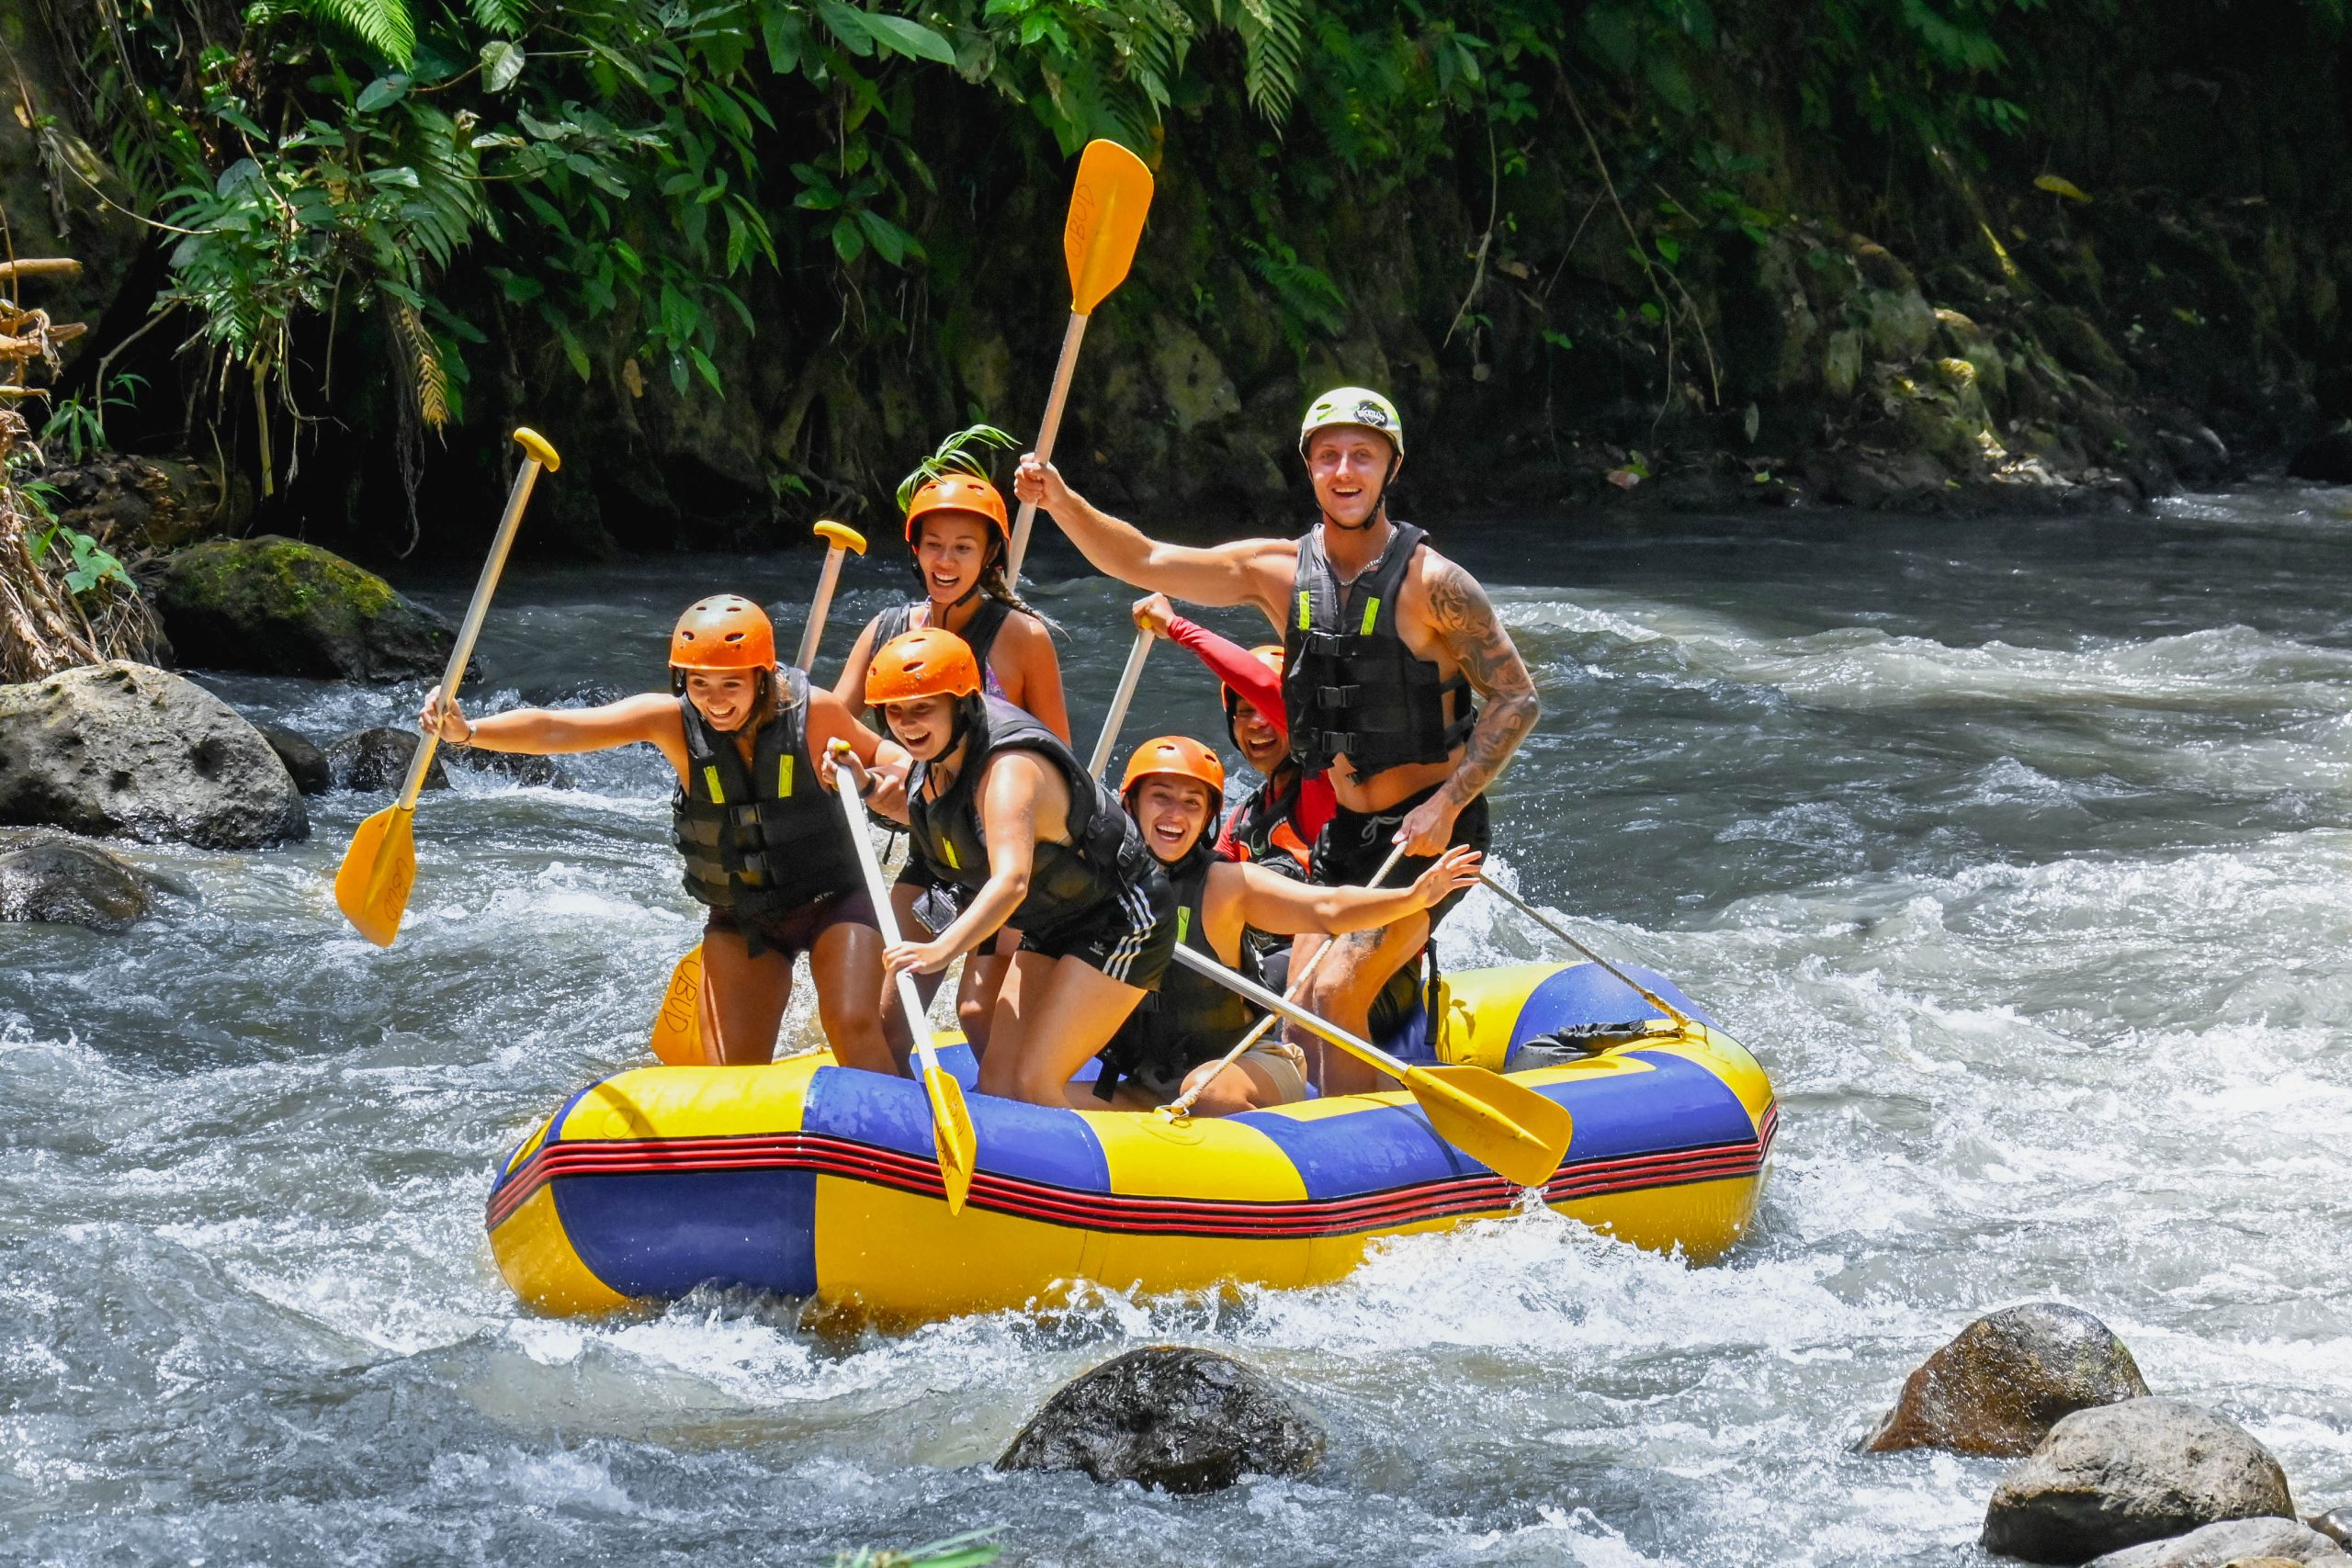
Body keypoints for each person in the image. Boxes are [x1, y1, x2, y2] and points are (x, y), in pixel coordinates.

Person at [1012, 386, 1541, 1095]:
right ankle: (1316, 1144)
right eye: (1328, 456)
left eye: (1363, 455)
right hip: (1347, 830)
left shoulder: (1437, 584)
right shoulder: (1277, 572)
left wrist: (1447, 803)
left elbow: (1517, 697)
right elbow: (1142, 558)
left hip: (1431, 832)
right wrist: (1061, 501)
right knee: (1296, 1006)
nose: (1345, 470)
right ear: (1309, 468)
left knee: (1334, 992)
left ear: (1391, 466)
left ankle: (1368, 1164)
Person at [420, 595, 900, 1072]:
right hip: (744, 916)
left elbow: (896, 762)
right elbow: (557, 729)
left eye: (731, 683)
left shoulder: (816, 712)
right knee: (733, 1074)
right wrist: (468, 732)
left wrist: (868, 779)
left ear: (761, 676)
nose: (714, 699)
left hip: (833, 900)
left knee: (851, 1023)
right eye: (699, 683)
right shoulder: (669, 721)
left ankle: (903, 1135)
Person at [846, 626, 1175, 1108]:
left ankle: (1104, 1169)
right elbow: (936, 819)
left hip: (1122, 917)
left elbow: (1011, 880)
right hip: (1050, 923)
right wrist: (866, 786)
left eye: (923, 708)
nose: (906, 724)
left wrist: (941, 950)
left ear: (961, 705)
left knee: (1032, 1085)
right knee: (1002, 1088)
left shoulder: (1008, 769)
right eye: (894, 711)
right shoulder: (937, 757)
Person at [1104, 736, 1484, 1113]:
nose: (1174, 814)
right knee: (1048, 1097)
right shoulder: (1104, 887)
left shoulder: (1229, 884)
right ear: (1131, 803)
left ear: (1206, 818)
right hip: (1150, 1078)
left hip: (1240, 1067)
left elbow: (1327, 906)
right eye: (1160, 797)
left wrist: (1413, 898)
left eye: (1191, 802)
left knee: (1205, 1092)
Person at [834, 467, 1069, 1053]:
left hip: (1010, 858)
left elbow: (1059, 761)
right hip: (935, 850)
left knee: (976, 1016)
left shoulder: (1023, 639)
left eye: (964, 547)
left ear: (990, 554)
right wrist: (880, 767)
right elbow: (834, 725)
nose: (946, 561)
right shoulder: (889, 629)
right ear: (914, 549)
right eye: (934, 545)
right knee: (881, 1029)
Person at [1128, 592, 1335, 881]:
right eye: (1246, 712)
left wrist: (1176, 626)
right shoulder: (1242, 823)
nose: (1258, 723)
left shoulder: (1329, 778)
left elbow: (1268, 691)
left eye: (1267, 710)